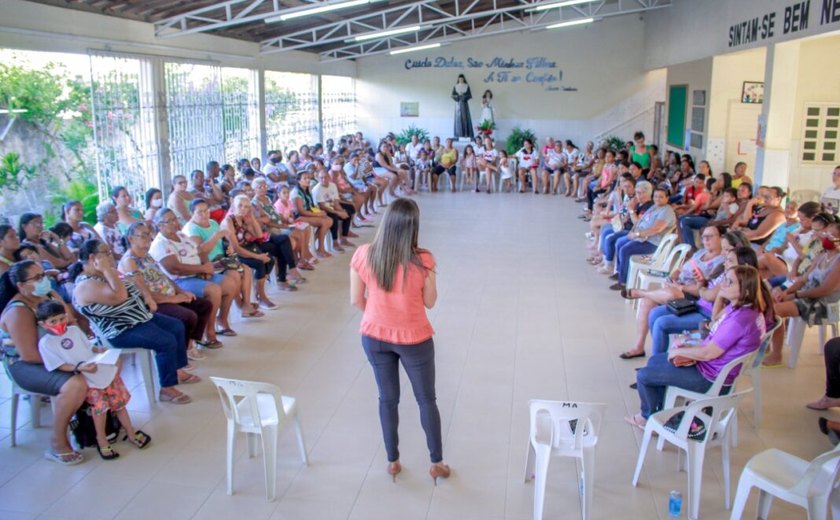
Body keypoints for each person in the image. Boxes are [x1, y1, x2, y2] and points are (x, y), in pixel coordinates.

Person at [349, 198, 450, 484]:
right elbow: (430, 302)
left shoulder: (363, 255)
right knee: (426, 400)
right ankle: (436, 463)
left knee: (387, 398)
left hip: (374, 337)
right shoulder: (423, 259)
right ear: (413, 227)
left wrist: (380, 314)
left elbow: (356, 300)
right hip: (414, 339)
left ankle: (392, 461)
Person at [625, 265, 769, 428]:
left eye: (730, 282)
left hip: (709, 378)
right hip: (713, 369)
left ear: (746, 290)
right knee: (655, 361)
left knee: (644, 375)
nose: (723, 284)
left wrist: (678, 350)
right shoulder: (744, 308)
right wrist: (721, 297)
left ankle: (647, 417)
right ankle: (659, 408)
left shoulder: (739, 320)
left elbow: (708, 353)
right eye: (725, 279)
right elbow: (716, 321)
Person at [36, 300, 150, 460]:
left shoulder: (74, 330)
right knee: (100, 410)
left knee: (119, 404)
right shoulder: (46, 343)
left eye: (62, 319)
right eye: (53, 321)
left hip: (100, 370)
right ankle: (101, 439)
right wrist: (80, 367)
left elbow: (89, 348)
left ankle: (130, 432)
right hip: (87, 377)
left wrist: (99, 350)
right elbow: (59, 365)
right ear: (43, 324)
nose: (59, 324)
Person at [0, 260, 88, 465]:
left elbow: (72, 326)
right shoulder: (18, 310)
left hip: (59, 355)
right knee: (76, 384)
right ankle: (57, 441)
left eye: (44, 274)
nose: (44, 280)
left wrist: (81, 351)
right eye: (38, 278)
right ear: (22, 286)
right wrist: (71, 362)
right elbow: (29, 354)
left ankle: (98, 429)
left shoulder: (50, 296)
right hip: (24, 365)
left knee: (106, 364)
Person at [618, 225, 725, 359]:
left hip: (692, 294)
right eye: (704, 237)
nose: (706, 240)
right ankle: (639, 347)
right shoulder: (700, 253)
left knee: (670, 294)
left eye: (710, 236)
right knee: (647, 302)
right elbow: (680, 269)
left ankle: (642, 292)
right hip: (678, 286)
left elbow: (704, 289)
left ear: (721, 238)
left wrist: (681, 288)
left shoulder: (721, 261)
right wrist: (673, 276)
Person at [120, 222, 220, 358]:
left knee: (204, 305)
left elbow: (165, 278)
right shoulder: (129, 261)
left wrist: (181, 292)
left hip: (168, 296)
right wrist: (172, 299)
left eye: (148, 235)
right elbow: (143, 292)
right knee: (187, 316)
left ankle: (189, 343)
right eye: (143, 236)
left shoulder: (146, 255)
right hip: (155, 303)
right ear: (131, 239)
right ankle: (180, 355)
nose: (148, 239)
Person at [765, 221, 840, 366]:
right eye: (826, 233)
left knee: (775, 311)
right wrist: (785, 292)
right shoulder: (821, 255)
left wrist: (794, 295)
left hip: (823, 302)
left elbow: (825, 290)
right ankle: (768, 344)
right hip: (807, 294)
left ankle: (776, 354)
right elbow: (804, 279)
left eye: (832, 235)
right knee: (770, 301)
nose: (826, 237)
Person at [452, 74, 473, 138]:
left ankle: (467, 134)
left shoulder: (467, 86)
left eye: (462, 79)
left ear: (464, 79)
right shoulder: (455, 86)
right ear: (458, 79)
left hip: (464, 104)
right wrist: (458, 95)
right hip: (458, 105)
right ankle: (459, 135)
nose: (461, 80)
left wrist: (463, 95)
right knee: (458, 120)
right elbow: (452, 95)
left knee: (465, 119)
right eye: (460, 79)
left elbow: (469, 95)